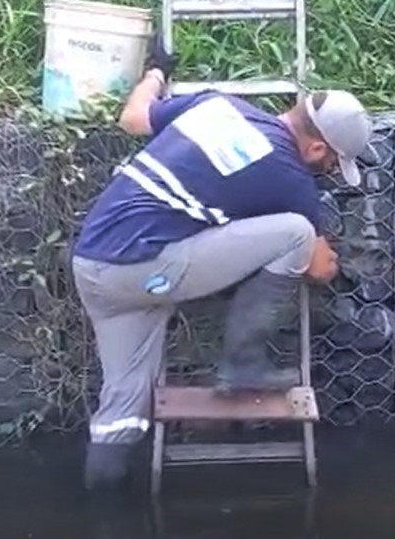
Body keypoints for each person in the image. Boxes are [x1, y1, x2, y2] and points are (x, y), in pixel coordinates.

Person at [70, 40, 372, 491]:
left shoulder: (219, 106)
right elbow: (319, 266)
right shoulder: (290, 175)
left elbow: (133, 118)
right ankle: (242, 363)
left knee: (122, 408)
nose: (330, 170)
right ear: (314, 150)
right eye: (333, 162)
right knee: (295, 233)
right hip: (147, 267)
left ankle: (105, 514)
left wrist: (156, 72)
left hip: (95, 268)